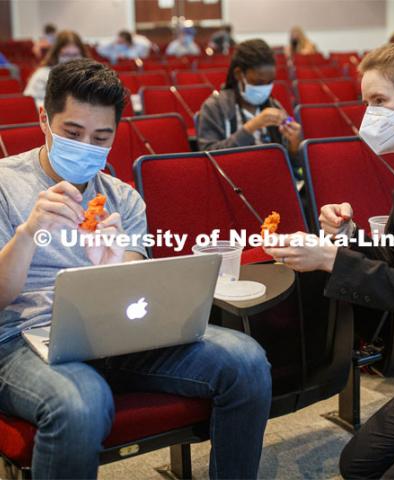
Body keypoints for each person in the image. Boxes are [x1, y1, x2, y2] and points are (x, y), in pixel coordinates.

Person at [0, 58, 271, 480]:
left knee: (246, 361)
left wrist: (113, 266)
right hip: (21, 340)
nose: (86, 146)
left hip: (114, 336)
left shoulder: (121, 198)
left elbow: (135, 289)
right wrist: (29, 233)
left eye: (101, 137)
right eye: (73, 134)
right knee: (81, 401)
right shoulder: (5, 184)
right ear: (43, 120)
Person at [264, 42, 394, 478]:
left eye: (379, 101)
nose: (369, 116)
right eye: (367, 103)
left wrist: (331, 260)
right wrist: (345, 239)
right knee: (358, 463)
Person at [197, 39, 302, 170]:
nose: (265, 88)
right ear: (239, 74)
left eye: (269, 82)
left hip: (272, 178)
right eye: (258, 82)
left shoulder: (273, 105)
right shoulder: (214, 107)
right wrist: (250, 128)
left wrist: (294, 145)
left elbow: (294, 166)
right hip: (233, 181)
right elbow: (208, 157)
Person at [24, 30, 87, 108]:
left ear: (82, 54)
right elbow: (33, 104)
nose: (71, 60)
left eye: (75, 55)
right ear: (56, 54)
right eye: (66, 55)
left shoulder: (89, 75)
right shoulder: (42, 75)